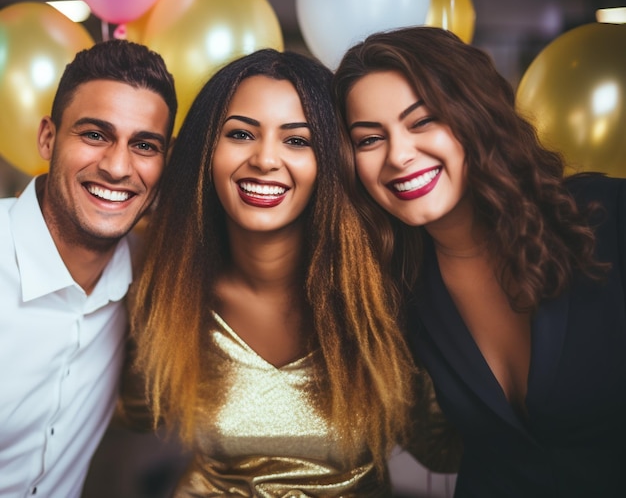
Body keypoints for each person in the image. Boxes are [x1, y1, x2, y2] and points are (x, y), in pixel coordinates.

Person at [120, 48, 433, 496]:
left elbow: (442, 448)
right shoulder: (165, 288)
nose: (265, 159)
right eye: (241, 134)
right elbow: (132, 410)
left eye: (297, 140)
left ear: (331, 160)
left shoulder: (389, 292)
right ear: (206, 153)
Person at [332, 26, 626, 498]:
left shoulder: (609, 218)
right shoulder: (397, 284)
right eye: (369, 139)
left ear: (473, 116)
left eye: (422, 121)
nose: (399, 155)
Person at [0, 39, 177, 497]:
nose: (118, 167)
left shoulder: (150, 276)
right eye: (95, 134)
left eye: (144, 145)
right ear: (47, 137)